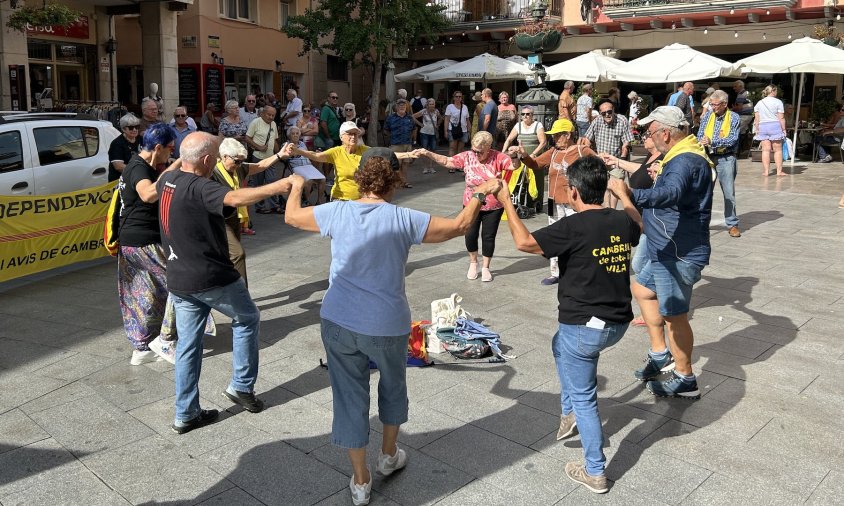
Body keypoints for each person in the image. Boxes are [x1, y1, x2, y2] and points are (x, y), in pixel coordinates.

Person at [283, 148, 501, 506]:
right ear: (395, 179)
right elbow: (460, 225)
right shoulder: (403, 218)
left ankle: (360, 479)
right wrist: (481, 192)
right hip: (387, 324)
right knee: (393, 384)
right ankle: (387, 456)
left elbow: (291, 217)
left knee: (349, 397)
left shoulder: (337, 211)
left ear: (361, 177)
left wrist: (296, 184)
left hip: (338, 320)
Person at [494, 155, 641, 495]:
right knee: (558, 344)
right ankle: (568, 412)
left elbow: (524, 243)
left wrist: (505, 202)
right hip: (616, 323)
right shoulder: (621, 220)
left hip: (585, 328)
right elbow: (638, 226)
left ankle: (595, 471)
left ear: (573, 192)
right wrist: (623, 195)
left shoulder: (572, 226)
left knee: (585, 396)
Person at [156, 132, 296, 434]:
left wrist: (185, 152)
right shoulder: (201, 186)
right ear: (208, 160)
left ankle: (185, 414)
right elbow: (233, 197)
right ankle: (241, 387)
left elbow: (168, 171)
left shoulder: (166, 181)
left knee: (188, 346)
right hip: (210, 275)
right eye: (216, 155)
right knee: (247, 318)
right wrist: (281, 185)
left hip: (179, 278)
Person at [624, 106, 714, 400]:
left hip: (679, 251)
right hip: (665, 245)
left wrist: (630, 194)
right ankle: (661, 353)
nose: (647, 137)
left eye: (649, 132)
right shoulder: (680, 156)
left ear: (665, 133)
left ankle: (686, 378)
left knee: (674, 315)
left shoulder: (684, 160)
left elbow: (671, 193)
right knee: (643, 288)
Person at [116, 123, 177, 365]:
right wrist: (175, 167)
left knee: (143, 294)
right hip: (143, 241)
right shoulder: (139, 168)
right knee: (180, 284)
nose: (171, 154)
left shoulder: (140, 165)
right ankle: (165, 339)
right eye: (169, 149)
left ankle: (142, 347)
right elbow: (148, 194)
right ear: (158, 147)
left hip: (132, 240)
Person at [418, 131, 513, 282]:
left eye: (480, 151)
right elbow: (448, 161)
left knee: (488, 236)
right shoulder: (468, 156)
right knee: (470, 234)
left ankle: (486, 267)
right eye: (474, 150)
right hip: (471, 203)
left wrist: (518, 154)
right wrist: (428, 153)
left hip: (493, 205)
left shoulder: (498, 157)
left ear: (489, 147)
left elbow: (514, 166)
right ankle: (473, 263)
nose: (476, 154)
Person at [517, 118, 596, 285]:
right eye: (553, 135)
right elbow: (535, 164)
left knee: (577, 236)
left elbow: (600, 166)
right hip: (553, 201)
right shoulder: (553, 151)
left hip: (574, 202)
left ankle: (577, 270)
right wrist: (524, 155)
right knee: (555, 236)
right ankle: (555, 272)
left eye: (557, 135)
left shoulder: (582, 151)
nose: (554, 138)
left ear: (567, 135)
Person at [600, 128, 664, 327]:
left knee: (640, 265)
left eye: (647, 134)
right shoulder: (650, 156)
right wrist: (616, 161)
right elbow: (639, 169)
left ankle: (658, 307)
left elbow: (648, 176)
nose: (644, 137)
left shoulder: (664, 157)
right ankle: (657, 305)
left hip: (651, 220)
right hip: (644, 219)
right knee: (640, 265)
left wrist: (625, 194)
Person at [212, 138, 293, 280]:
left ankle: (226, 288)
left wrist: (279, 155)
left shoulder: (239, 167)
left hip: (234, 217)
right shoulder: (212, 173)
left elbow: (260, 165)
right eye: (236, 161)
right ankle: (242, 295)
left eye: (241, 161)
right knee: (237, 255)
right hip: (218, 221)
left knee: (229, 257)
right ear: (224, 157)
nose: (239, 165)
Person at [291, 121, 417, 201]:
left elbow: (387, 154)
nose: (353, 137)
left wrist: (408, 154)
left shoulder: (364, 150)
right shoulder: (336, 152)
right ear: (341, 137)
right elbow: (316, 156)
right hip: (340, 199)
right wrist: (298, 151)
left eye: (355, 134)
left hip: (360, 200)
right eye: (349, 134)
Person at [698, 90, 741, 237]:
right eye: (711, 104)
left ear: (724, 104)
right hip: (708, 157)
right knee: (704, 192)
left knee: (729, 193)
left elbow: (732, 139)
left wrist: (712, 141)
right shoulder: (708, 116)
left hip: (726, 158)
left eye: (715, 105)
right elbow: (700, 133)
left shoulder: (734, 117)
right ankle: (702, 222)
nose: (713, 107)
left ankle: (732, 224)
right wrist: (702, 140)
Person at [579, 99, 634, 209]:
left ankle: (612, 209)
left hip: (616, 159)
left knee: (615, 186)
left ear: (613, 110)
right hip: (601, 159)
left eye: (609, 112)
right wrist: (593, 155)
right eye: (604, 113)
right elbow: (587, 139)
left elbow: (626, 144)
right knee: (603, 187)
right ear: (600, 113)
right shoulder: (597, 121)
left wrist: (621, 161)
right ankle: (607, 209)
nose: (607, 115)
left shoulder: (622, 120)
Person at [246, 106, 281, 214]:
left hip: (270, 158)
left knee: (272, 181)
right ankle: (259, 207)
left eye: (273, 115)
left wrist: (279, 153)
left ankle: (274, 205)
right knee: (258, 183)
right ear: (263, 113)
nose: (271, 117)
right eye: (269, 114)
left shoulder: (273, 124)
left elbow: (274, 140)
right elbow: (247, 138)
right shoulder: (255, 122)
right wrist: (258, 147)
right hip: (258, 158)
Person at [286, 125, 327, 205]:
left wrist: (315, 153)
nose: (295, 135)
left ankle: (319, 201)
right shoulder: (286, 144)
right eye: (293, 134)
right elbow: (286, 156)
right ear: (289, 135)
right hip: (296, 166)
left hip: (308, 165)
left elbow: (308, 154)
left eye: (297, 133)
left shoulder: (302, 144)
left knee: (323, 179)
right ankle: (306, 201)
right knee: (309, 180)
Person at [753, 85, 787, 177]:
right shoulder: (778, 102)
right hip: (775, 126)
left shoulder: (759, 103)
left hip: (763, 126)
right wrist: (784, 129)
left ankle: (766, 171)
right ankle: (779, 171)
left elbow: (756, 118)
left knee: (765, 150)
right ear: (773, 91)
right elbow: (781, 117)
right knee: (778, 150)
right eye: (776, 91)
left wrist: (757, 129)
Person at [384, 98, 415, 187]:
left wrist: (413, 141)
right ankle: (396, 182)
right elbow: (386, 130)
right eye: (400, 105)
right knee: (396, 165)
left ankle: (404, 182)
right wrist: (391, 139)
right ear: (396, 107)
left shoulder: (409, 117)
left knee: (405, 164)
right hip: (395, 144)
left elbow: (413, 129)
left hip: (407, 144)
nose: (402, 107)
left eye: (404, 105)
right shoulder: (391, 118)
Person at [108, 113, 141, 182]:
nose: (134, 130)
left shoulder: (141, 139)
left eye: (137, 127)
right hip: (121, 181)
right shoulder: (117, 143)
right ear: (123, 129)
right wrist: (139, 171)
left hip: (137, 179)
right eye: (131, 128)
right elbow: (118, 166)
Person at [413, 98, 442, 174]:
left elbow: (441, 118)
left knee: (432, 151)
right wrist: (420, 124)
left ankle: (431, 167)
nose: (432, 105)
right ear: (427, 105)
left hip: (433, 134)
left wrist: (438, 125)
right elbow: (413, 116)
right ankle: (425, 167)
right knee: (424, 151)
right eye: (430, 104)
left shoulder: (436, 111)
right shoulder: (424, 111)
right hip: (424, 133)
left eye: (433, 104)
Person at [444, 90, 470, 168]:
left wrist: (469, 131)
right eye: (457, 96)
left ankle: (458, 165)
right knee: (452, 148)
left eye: (460, 96)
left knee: (461, 149)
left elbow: (467, 120)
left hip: (463, 130)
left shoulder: (465, 107)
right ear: (454, 98)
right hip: (453, 130)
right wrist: (445, 131)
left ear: (462, 98)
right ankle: (451, 166)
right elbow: (447, 119)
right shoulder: (450, 107)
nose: (458, 98)